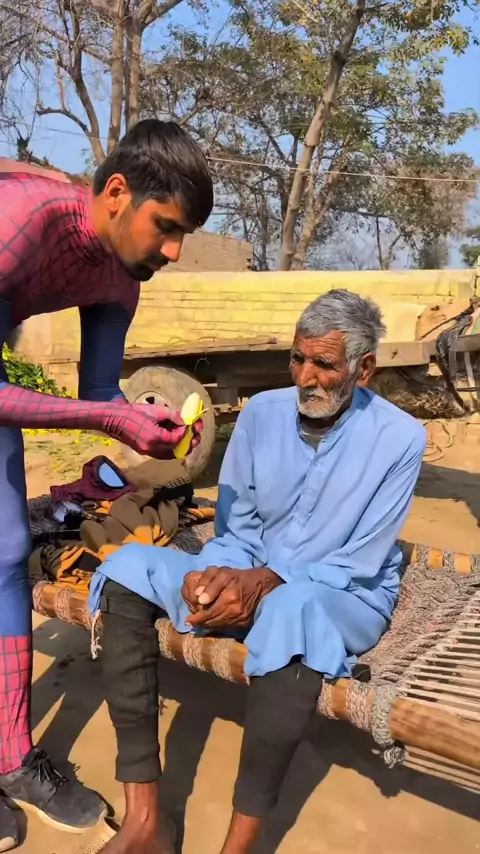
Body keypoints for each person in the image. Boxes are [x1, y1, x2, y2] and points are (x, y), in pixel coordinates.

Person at [89, 288, 427, 854]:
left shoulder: (401, 439)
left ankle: (238, 847)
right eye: (297, 358)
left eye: (324, 364)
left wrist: (266, 581)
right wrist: (212, 577)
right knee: (127, 567)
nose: (305, 377)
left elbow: (359, 560)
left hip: (343, 595)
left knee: (291, 607)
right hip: (253, 577)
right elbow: (237, 530)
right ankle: (144, 821)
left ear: (363, 369)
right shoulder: (260, 416)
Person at [0, 119, 213, 850]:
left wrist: (138, 419)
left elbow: (99, 391)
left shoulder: (123, 275)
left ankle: (12, 759)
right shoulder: (22, 218)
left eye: (184, 234)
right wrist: (104, 416)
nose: (174, 251)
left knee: (6, 553)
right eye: (167, 227)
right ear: (117, 193)